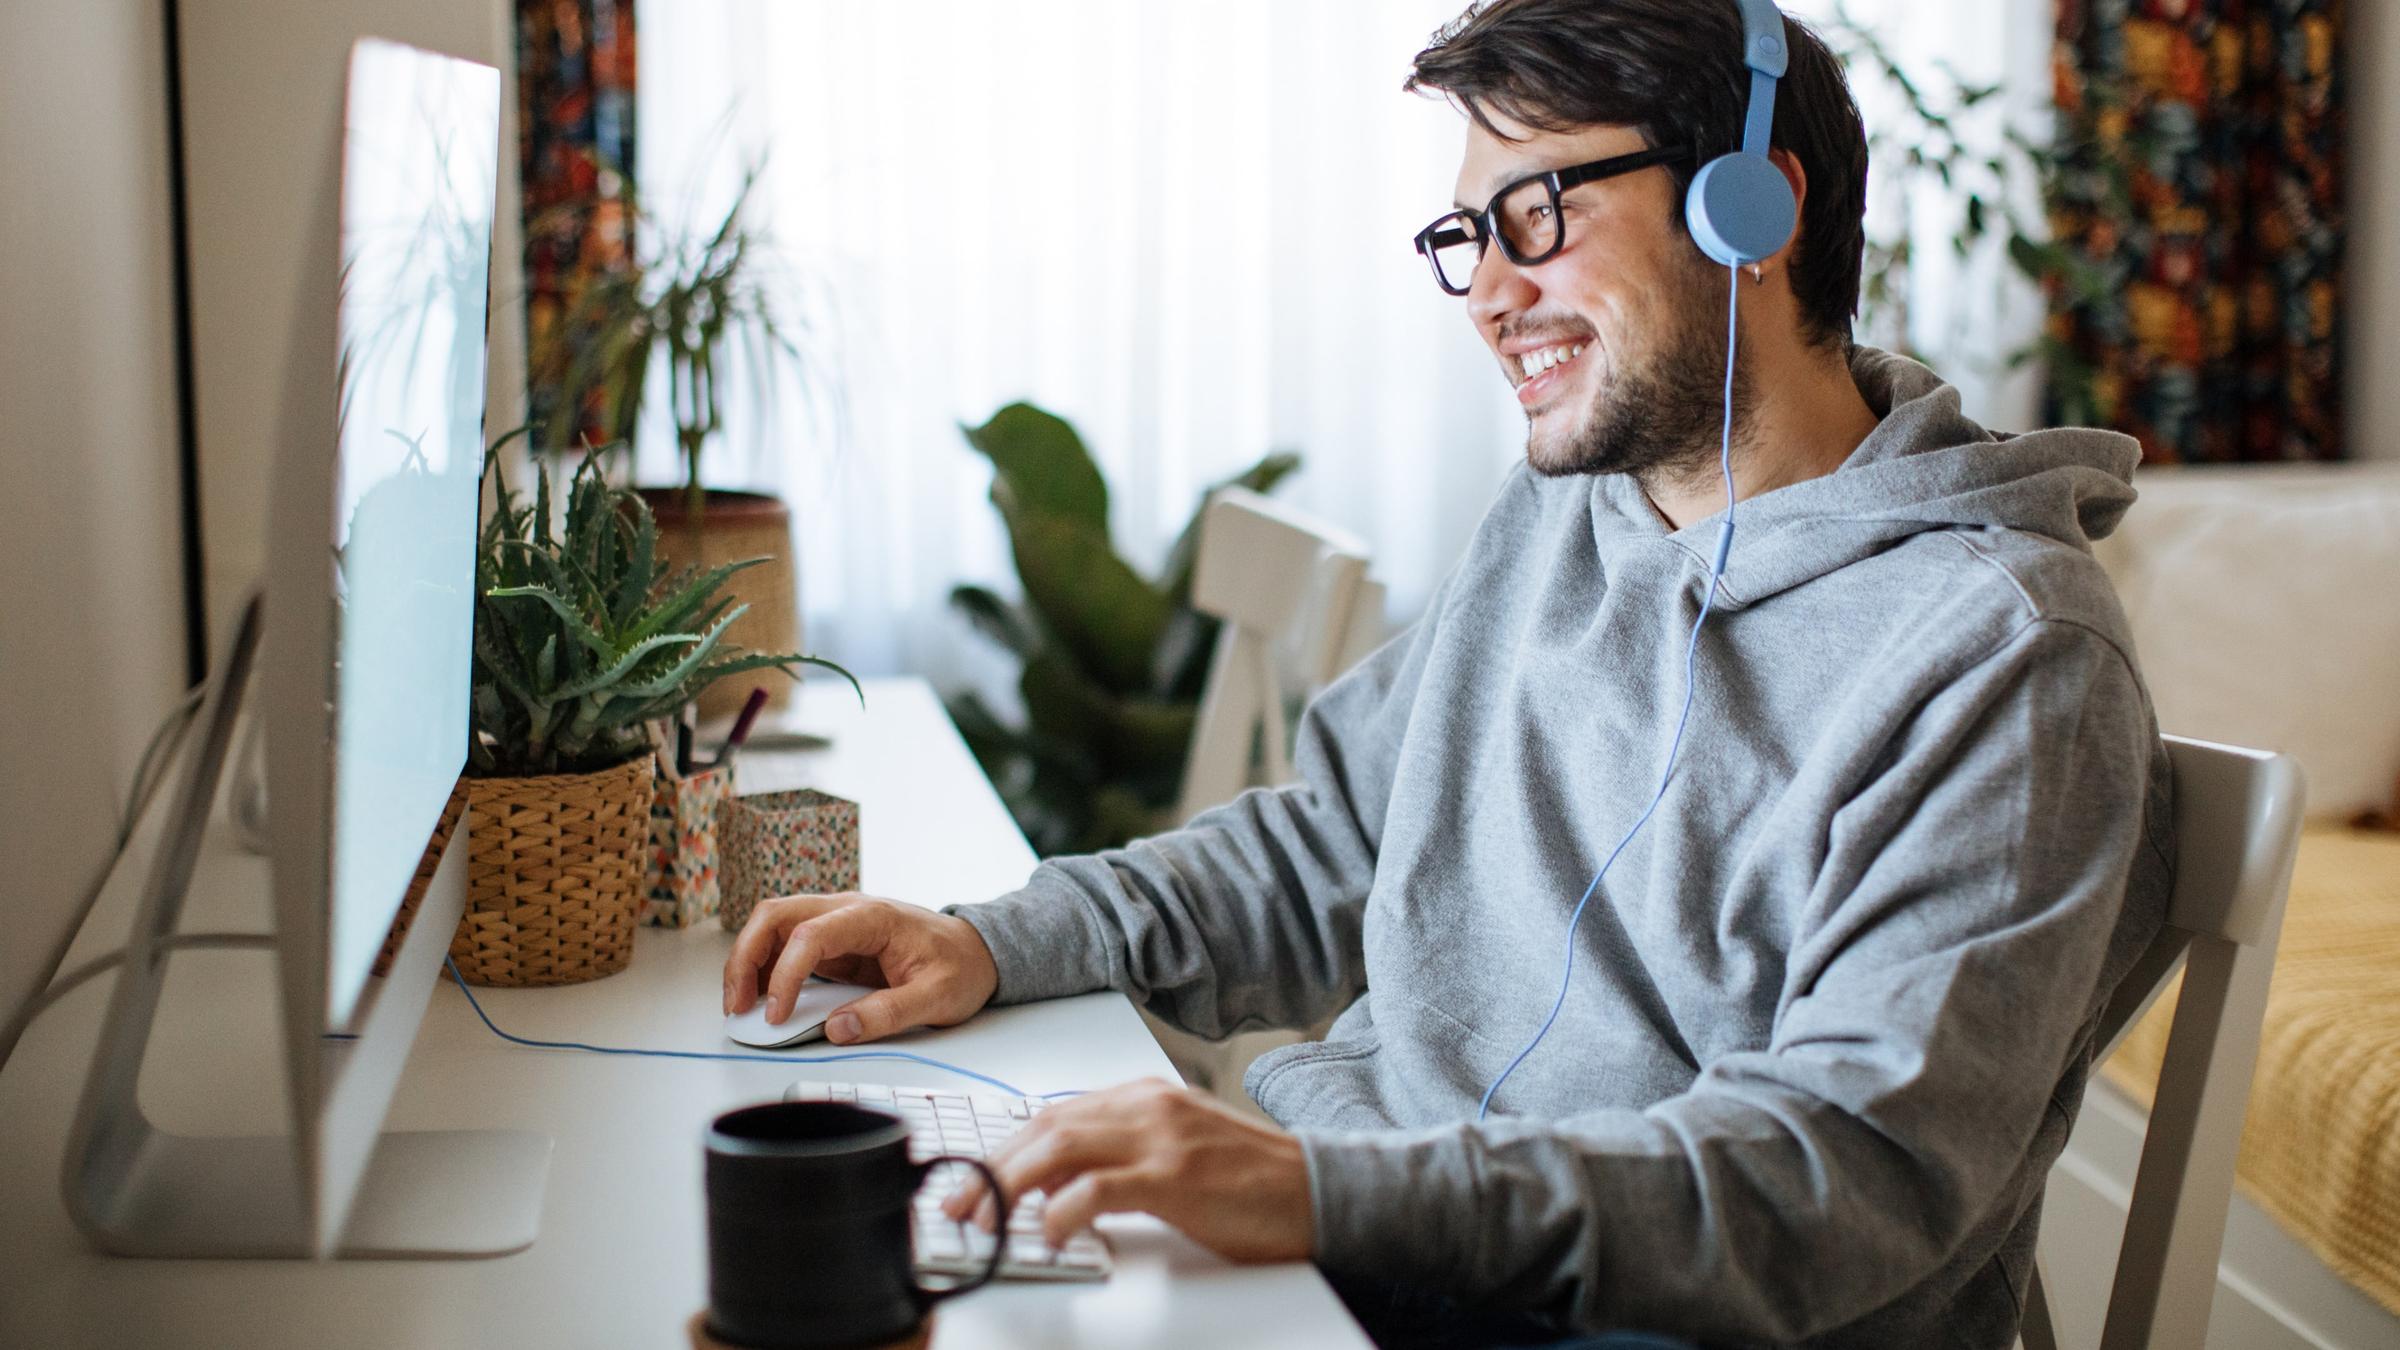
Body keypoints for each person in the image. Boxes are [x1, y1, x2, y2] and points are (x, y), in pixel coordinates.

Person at [723, 2, 2175, 1346]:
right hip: (1385, 1241)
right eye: (1466, 234)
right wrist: (1001, 939)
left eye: (1537, 214)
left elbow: (1838, 1173)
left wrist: (1328, 1196)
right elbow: (1341, 844)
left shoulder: (2006, 657)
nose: (1487, 293)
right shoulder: (1562, 514)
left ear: (1757, 206)